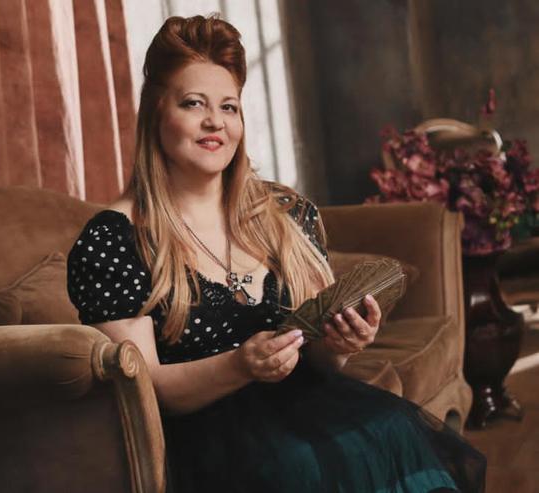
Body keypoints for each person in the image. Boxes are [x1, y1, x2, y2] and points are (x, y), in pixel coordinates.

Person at [67, 14, 485, 493]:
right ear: (157, 112)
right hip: (206, 435)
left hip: (307, 405)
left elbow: (320, 363)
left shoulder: (286, 213)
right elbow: (145, 392)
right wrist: (239, 365)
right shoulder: (114, 239)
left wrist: (339, 344)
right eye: (193, 103)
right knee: (299, 466)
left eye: (229, 107)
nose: (215, 121)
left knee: (394, 427)